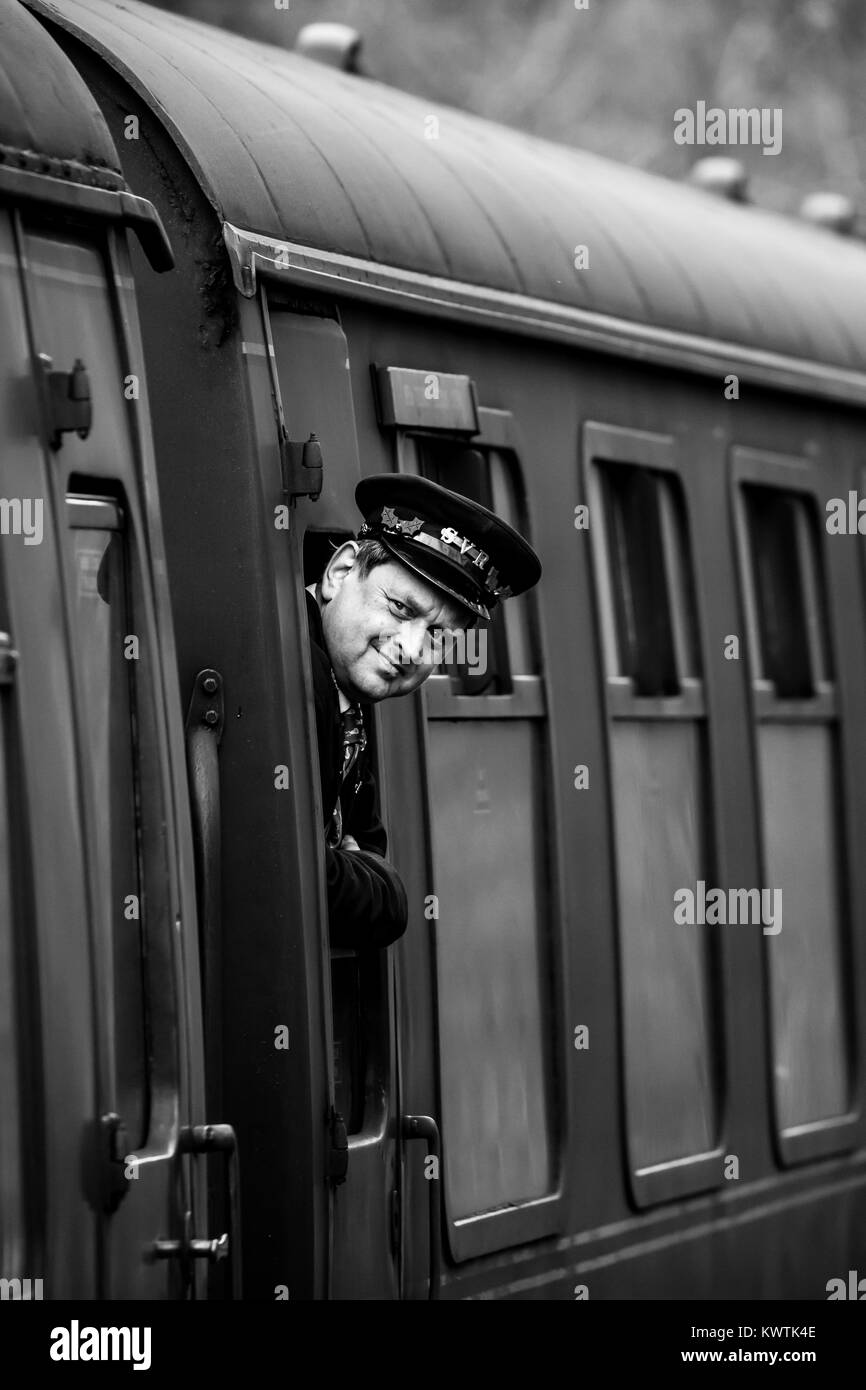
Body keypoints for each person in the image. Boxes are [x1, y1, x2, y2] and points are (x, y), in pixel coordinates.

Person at [304, 472, 541, 949]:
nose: (411, 649)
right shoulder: (300, 673)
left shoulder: (346, 682)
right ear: (341, 572)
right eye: (400, 608)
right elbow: (302, 879)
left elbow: (367, 848)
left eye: (438, 635)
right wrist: (382, 890)